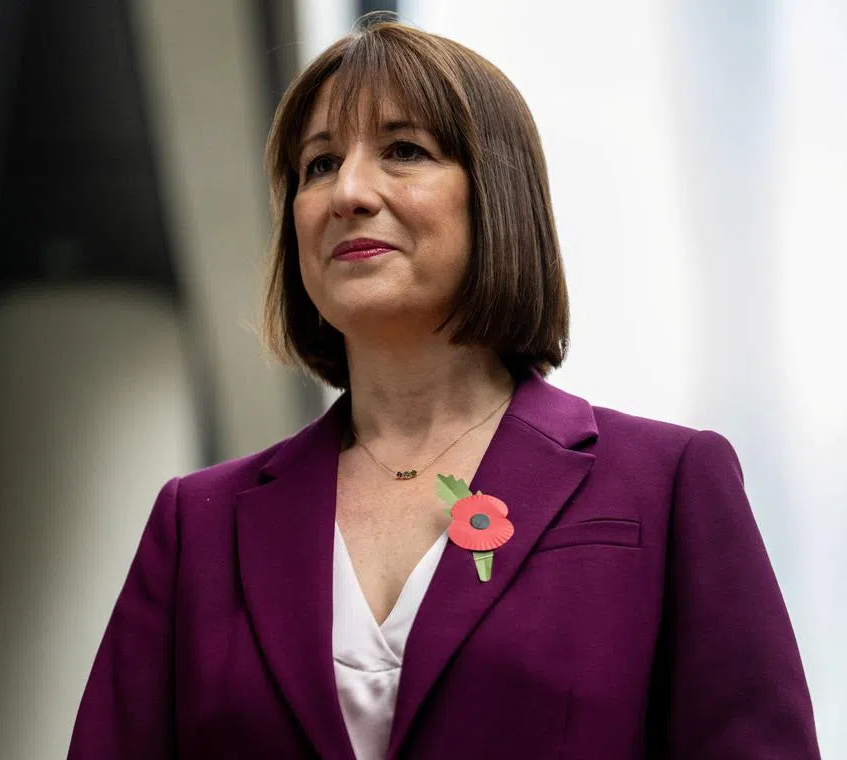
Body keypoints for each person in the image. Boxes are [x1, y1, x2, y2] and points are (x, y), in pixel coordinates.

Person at [67, 16, 821, 760]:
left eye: (403, 151)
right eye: (320, 164)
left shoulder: (667, 486)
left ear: (496, 195)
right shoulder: (196, 526)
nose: (349, 192)